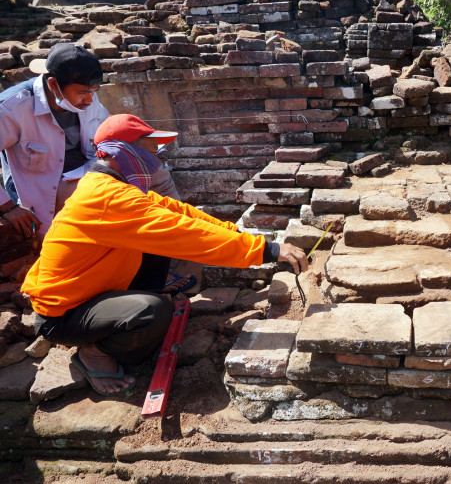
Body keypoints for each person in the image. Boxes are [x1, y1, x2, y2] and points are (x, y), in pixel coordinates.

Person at [21, 114, 309, 396]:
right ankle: (95, 354)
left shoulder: (116, 187)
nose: (155, 160)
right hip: (62, 315)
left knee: (157, 241)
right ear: (122, 152)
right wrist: (266, 250)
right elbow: (184, 233)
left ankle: (129, 305)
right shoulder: (108, 198)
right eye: (148, 151)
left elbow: (178, 213)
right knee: (153, 311)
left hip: (89, 293)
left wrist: (237, 234)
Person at [0, 42, 178, 239]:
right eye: (83, 92)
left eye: (93, 91)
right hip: (46, 188)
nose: (90, 100)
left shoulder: (86, 98)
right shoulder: (12, 108)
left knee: (155, 169)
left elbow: (106, 134)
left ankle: (174, 233)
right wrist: (7, 207)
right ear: (53, 85)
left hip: (88, 170)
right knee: (114, 199)